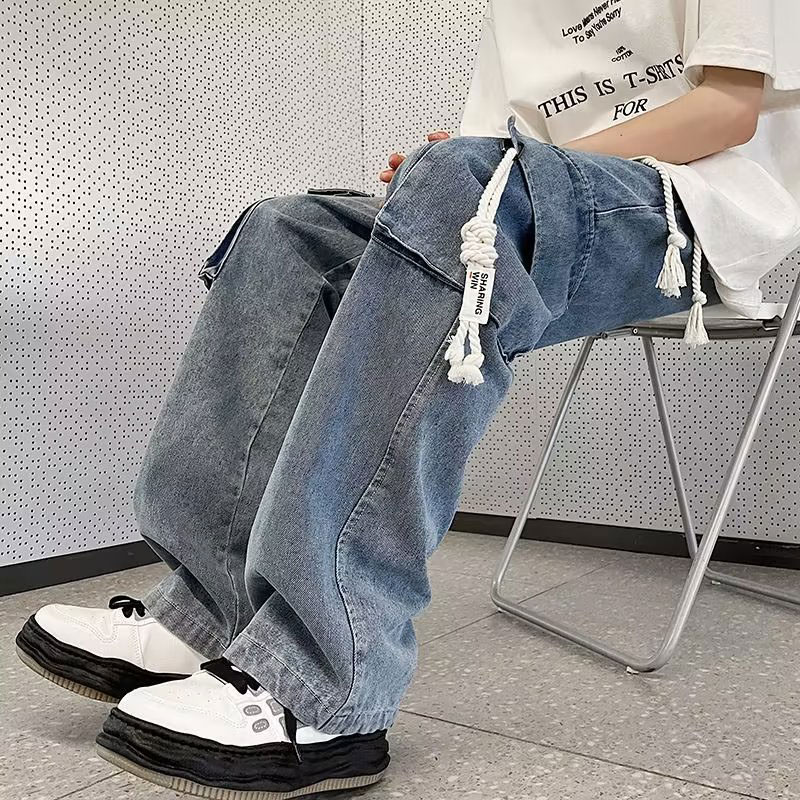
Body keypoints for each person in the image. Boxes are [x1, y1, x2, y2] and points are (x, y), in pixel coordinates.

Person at [15, 1, 800, 798]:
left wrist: (484, 169)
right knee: (289, 231)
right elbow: (492, 152)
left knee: (462, 180)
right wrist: (444, 171)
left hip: (690, 218)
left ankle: (324, 683)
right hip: (545, 205)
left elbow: (727, 111)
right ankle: (205, 613)